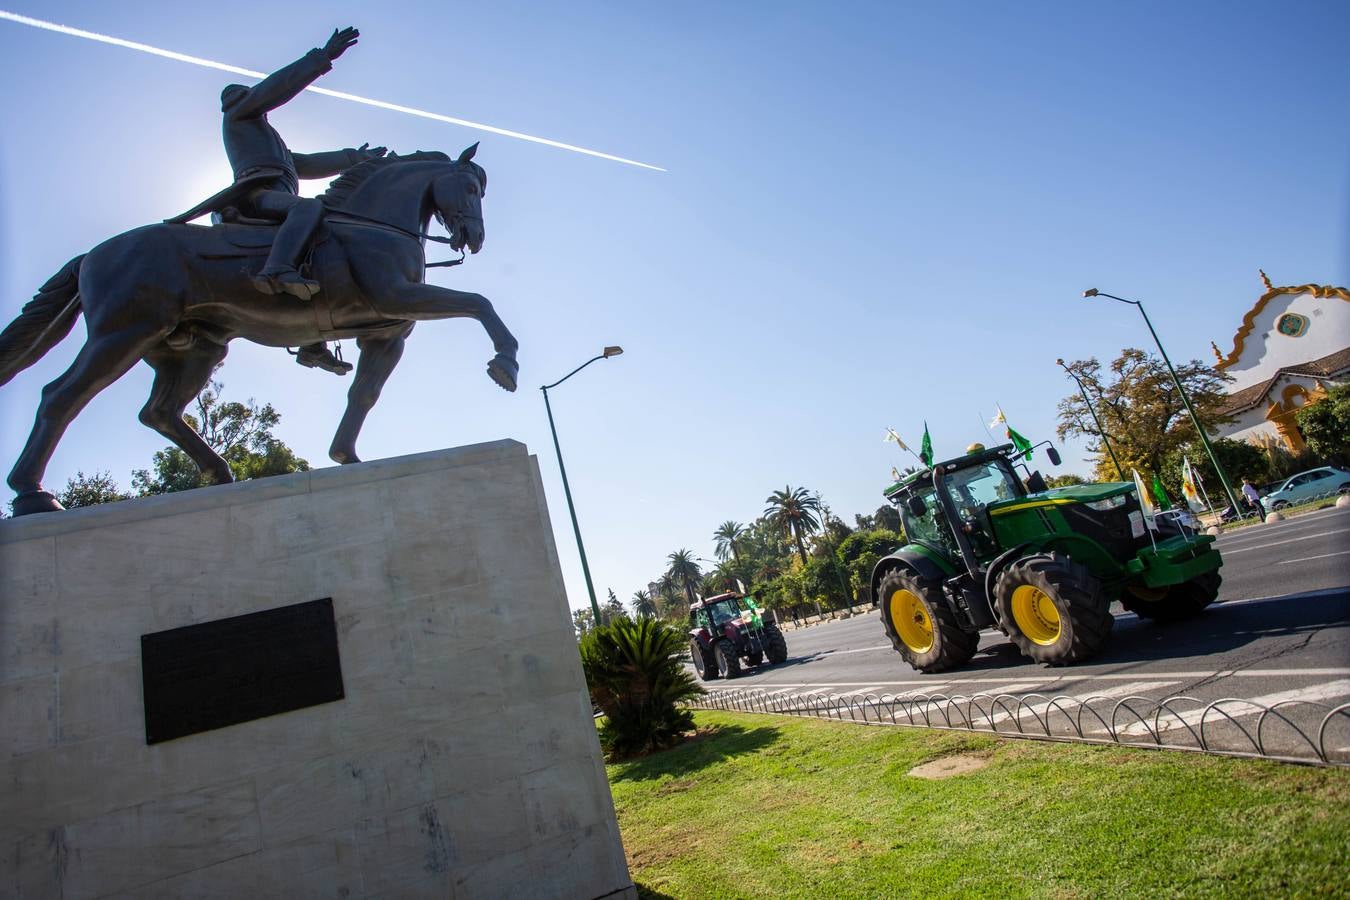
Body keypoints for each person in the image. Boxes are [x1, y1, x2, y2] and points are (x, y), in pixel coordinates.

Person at [180, 27, 385, 375]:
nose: (250, 98)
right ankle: (276, 270)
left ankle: (312, 342)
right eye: (246, 95)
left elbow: (304, 164)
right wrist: (322, 57)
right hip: (254, 198)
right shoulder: (240, 116)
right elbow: (276, 88)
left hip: (274, 197)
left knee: (321, 241)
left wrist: (354, 159)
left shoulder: (272, 142)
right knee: (307, 208)